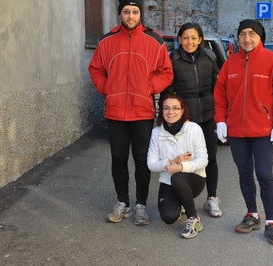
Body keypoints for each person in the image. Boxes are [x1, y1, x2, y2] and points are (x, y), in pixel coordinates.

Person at [88, 0, 173, 226]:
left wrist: (148, 88)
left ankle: (141, 205)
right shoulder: (106, 41)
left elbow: (166, 72)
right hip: (115, 111)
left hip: (142, 111)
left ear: (140, 15)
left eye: (135, 12)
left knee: (142, 160)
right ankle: (122, 203)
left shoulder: (154, 40)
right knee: (118, 159)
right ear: (120, 14)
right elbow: (96, 69)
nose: (130, 15)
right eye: (126, 11)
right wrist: (107, 88)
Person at [213, 19, 273, 245]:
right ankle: (252, 214)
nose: (246, 39)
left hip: (264, 131)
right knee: (244, 173)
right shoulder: (230, 64)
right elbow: (220, 95)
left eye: (252, 34)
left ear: (260, 37)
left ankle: (271, 222)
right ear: (237, 37)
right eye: (242, 34)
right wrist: (221, 121)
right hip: (238, 131)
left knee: (265, 175)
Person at [161, 22, 222, 218]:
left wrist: (219, 113)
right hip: (185, 118)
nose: (190, 42)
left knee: (210, 158)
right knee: (184, 158)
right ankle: (180, 199)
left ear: (200, 39)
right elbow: (168, 91)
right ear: (179, 39)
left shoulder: (210, 58)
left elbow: (217, 88)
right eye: (185, 38)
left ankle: (212, 198)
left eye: (194, 38)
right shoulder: (173, 60)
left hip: (208, 115)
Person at [147, 93, 208, 239]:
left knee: (178, 178)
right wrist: (171, 162)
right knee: (168, 217)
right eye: (166, 108)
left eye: (175, 108)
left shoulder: (193, 129)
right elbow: (151, 164)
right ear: (161, 111)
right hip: (168, 180)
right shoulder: (156, 132)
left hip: (194, 179)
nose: (171, 112)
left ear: (182, 111)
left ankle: (194, 219)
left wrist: (181, 167)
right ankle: (180, 202)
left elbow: (203, 160)